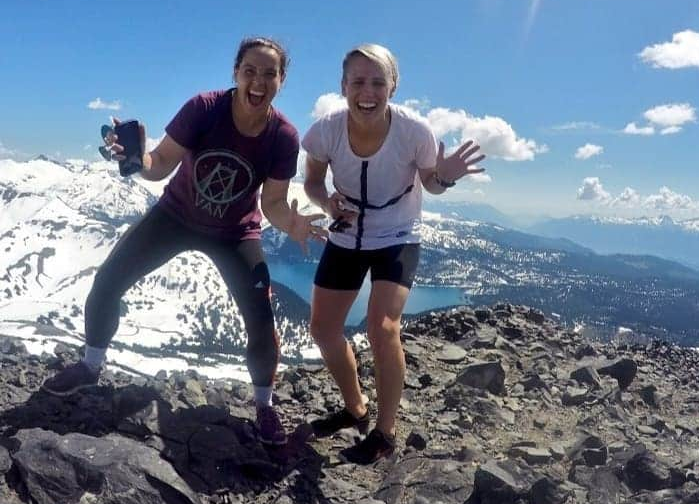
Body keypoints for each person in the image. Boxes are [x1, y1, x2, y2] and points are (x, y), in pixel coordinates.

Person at [42, 36, 326, 447]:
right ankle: (89, 367)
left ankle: (264, 406)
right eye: (250, 71)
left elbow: (274, 202)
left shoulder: (282, 135)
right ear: (236, 73)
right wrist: (137, 160)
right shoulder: (205, 108)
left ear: (282, 80)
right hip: (175, 216)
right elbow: (159, 167)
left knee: (260, 320)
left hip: (234, 233)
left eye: (269, 73)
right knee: (108, 282)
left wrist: (293, 224)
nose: (258, 81)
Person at [302, 44, 485, 464]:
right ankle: (355, 408)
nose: (367, 91)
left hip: (398, 234)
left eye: (378, 82)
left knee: (382, 326)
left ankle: (385, 432)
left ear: (394, 87)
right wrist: (327, 203)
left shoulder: (415, 131)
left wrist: (446, 176)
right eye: (358, 81)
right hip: (346, 233)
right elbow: (312, 181)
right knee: (323, 329)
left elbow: (431, 184)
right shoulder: (325, 130)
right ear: (343, 86)